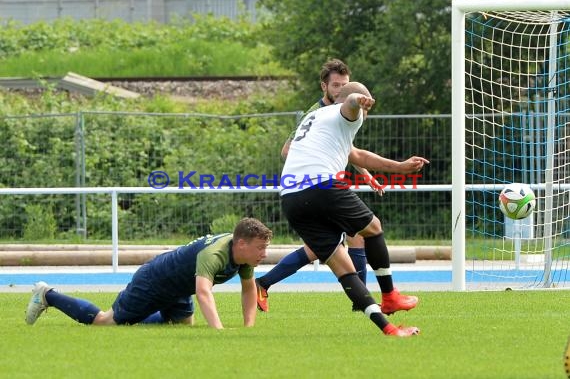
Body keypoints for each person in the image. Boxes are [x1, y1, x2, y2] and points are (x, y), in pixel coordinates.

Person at [279, 81, 429, 337]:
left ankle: (390, 329)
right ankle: (390, 296)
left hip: (291, 197)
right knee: (373, 228)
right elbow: (349, 104)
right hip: (321, 184)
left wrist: (401, 167)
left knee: (344, 268)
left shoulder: (316, 117)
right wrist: (358, 100)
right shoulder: (349, 113)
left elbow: (357, 155)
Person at [255, 59, 382, 312]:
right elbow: (286, 149)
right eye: (336, 85)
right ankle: (362, 301)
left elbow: (348, 148)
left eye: (345, 85)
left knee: (320, 248)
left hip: (329, 185)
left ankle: (264, 282)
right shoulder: (317, 113)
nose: (341, 90)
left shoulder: (346, 108)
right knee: (358, 235)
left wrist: (366, 174)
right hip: (315, 186)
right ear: (324, 85)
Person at [25, 217, 272, 329]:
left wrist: (248, 328)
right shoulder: (215, 254)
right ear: (242, 243)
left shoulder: (244, 257)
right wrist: (218, 330)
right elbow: (203, 293)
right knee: (106, 322)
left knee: (181, 324)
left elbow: (249, 288)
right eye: (260, 248)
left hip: (177, 287)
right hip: (154, 281)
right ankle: (47, 294)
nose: (264, 253)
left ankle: (134, 319)